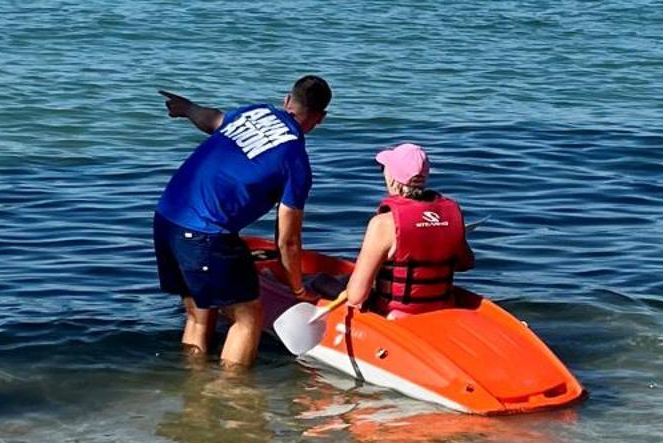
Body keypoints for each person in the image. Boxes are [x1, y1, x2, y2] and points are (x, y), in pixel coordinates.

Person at [155, 75, 331, 368]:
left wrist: (186, 108)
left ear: (287, 100)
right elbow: (287, 240)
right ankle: (234, 396)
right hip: (204, 233)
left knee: (200, 312)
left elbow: (213, 119)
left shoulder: (257, 111)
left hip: (167, 217)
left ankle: (193, 384)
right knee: (248, 316)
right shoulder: (295, 160)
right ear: (320, 118)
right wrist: (299, 290)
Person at [340, 142, 474, 316]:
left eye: (385, 169)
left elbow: (356, 296)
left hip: (397, 317)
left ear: (393, 178)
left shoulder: (384, 223)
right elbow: (466, 263)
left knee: (324, 283)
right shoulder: (451, 214)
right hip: (443, 311)